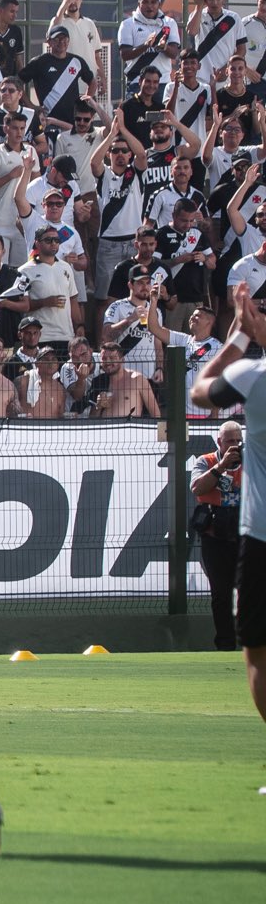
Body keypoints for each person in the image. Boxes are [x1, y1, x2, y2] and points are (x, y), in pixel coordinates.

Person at [188, 296, 266, 737]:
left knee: (256, 650)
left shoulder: (254, 375)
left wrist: (239, 335)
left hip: (261, 532)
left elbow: (201, 391)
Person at [187, 419, 244, 652]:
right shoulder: (206, 461)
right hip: (215, 536)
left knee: (250, 592)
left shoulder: (252, 461)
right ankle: (226, 645)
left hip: (244, 534)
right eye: (230, 441)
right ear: (219, 441)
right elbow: (197, 488)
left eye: (239, 441)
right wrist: (221, 466)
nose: (235, 446)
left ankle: (252, 643)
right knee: (220, 594)